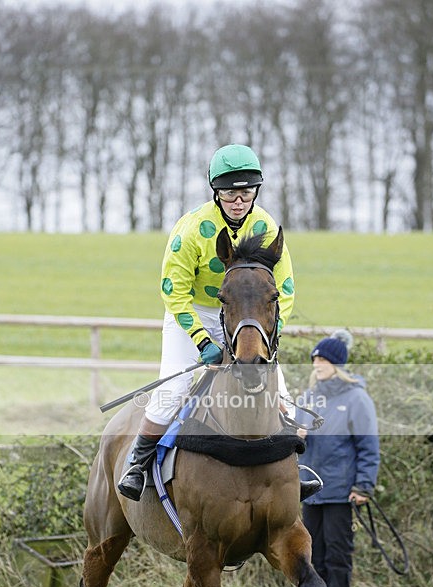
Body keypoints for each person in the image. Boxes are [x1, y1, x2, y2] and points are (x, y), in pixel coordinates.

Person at [119, 143, 316, 501]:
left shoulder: (268, 228)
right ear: (216, 192)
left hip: (249, 316)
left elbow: (283, 290)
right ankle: (138, 463)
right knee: (173, 392)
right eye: (230, 193)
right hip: (193, 310)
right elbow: (173, 290)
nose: (239, 201)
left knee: (282, 396)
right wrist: (202, 339)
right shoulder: (192, 229)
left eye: (246, 193)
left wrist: (268, 335)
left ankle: (293, 471)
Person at [295, 330, 380, 587]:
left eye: (323, 359)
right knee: (312, 554)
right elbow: (293, 443)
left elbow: (368, 445)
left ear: (337, 364)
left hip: (342, 491)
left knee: (338, 554)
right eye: (315, 359)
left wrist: (363, 486)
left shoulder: (357, 398)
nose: (317, 364)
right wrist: (296, 435)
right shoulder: (307, 398)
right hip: (311, 490)